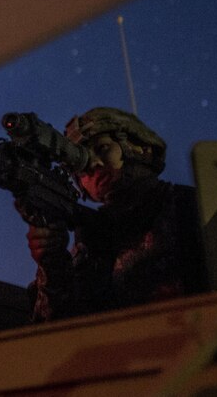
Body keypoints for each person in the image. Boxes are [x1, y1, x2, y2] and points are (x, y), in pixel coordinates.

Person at [23, 107, 206, 321]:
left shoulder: (191, 207)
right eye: (80, 164)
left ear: (141, 148)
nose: (94, 165)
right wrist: (51, 261)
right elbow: (57, 330)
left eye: (102, 148)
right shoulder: (92, 239)